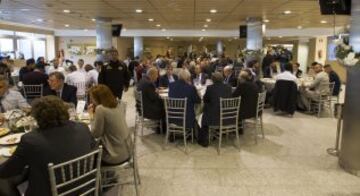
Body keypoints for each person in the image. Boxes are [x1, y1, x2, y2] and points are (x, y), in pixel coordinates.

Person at [0, 96, 96, 196]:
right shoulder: (83, 127)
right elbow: (94, 150)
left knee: (3, 181)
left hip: (51, 191)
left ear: (37, 117)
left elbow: (7, 171)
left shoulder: (31, 140)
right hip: (84, 186)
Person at [88, 85, 131, 165]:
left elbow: (96, 134)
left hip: (115, 156)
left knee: (89, 156)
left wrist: (91, 116)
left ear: (97, 98)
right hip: (127, 150)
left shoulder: (100, 109)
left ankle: (98, 176)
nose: (91, 100)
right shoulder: (116, 104)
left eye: (92, 98)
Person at [198, 72, 232, 146]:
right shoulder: (228, 87)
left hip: (214, 118)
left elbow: (205, 99)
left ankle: (204, 139)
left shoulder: (210, 88)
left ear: (213, 80)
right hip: (227, 116)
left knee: (202, 113)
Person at [232, 69, 261, 134]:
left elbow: (234, 96)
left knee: (229, 107)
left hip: (245, 112)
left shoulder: (242, 85)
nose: (238, 78)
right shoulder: (254, 84)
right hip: (254, 110)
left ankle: (236, 129)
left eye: (239, 77)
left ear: (242, 78)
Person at [136, 67, 165, 132]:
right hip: (148, 110)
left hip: (141, 108)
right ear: (152, 75)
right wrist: (157, 93)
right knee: (165, 108)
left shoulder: (142, 80)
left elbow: (149, 93)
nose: (157, 77)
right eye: (156, 75)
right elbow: (154, 97)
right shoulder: (149, 84)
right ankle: (162, 129)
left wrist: (155, 91)